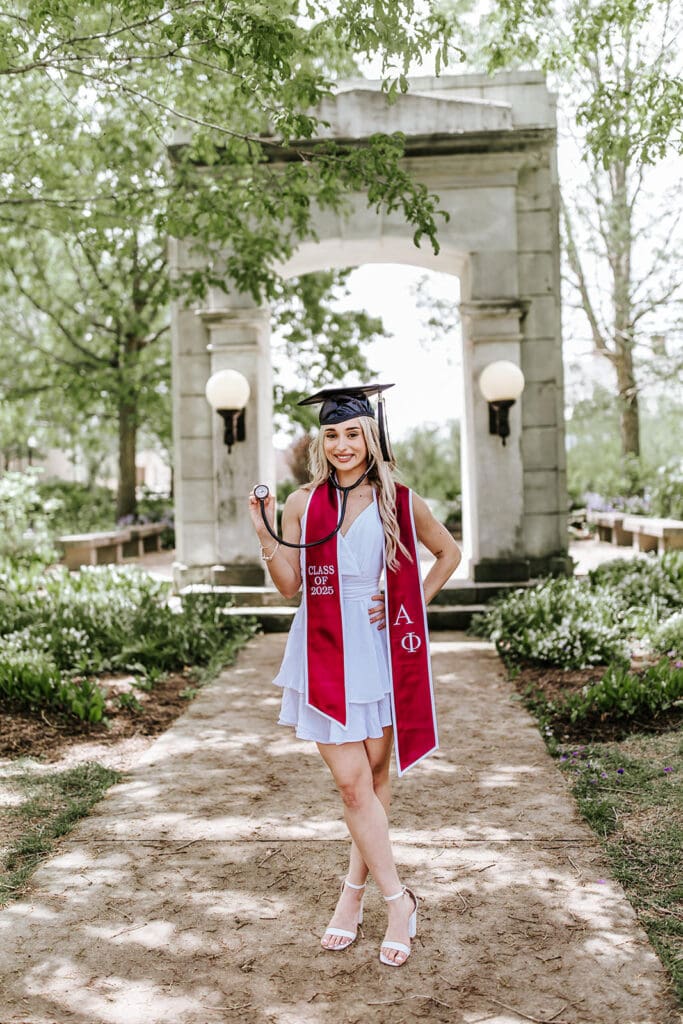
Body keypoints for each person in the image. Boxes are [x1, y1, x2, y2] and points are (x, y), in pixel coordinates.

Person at [248, 384, 461, 967]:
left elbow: (448, 555)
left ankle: (351, 898)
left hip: (374, 646)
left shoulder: (397, 499)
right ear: (322, 440)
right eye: (333, 434)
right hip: (318, 646)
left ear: (370, 436)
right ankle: (399, 901)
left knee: (372, 776)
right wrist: (265, 531)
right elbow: (290, 586)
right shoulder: (302, 502)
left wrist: (406, 601)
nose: (343, 445)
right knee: (350, 785)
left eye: (353, 433)